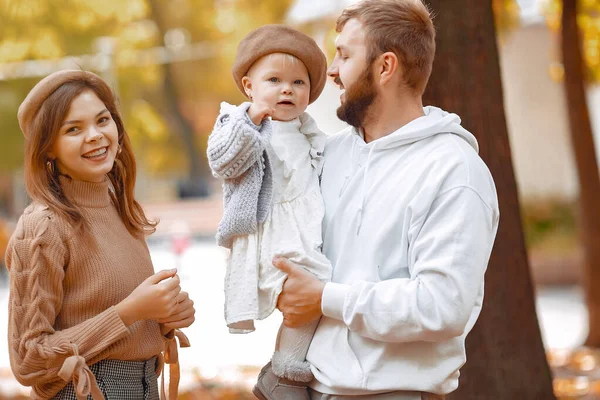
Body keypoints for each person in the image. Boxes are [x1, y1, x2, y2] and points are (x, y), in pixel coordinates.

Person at [273, 1, 501, 399]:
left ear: (385, 67)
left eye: (344, 55)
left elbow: (441, 306)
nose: (331, 70)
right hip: (314, 388)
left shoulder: (453, 171)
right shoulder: (331, 154)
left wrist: (325, 298)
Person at [6, 70, 195, 399]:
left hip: (145, 386)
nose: (94, 135)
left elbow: (112, 314)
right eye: (73, 129)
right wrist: (131, 311)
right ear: (48, 148)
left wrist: (165, 316)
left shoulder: (117, 204)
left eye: (102, 120)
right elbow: (28, 359)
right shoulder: (42, 226)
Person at [207, 25, 332, 400]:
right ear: (249, 86)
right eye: (274, 80)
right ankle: (285, 375)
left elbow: (326, 161)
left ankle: (283, 374)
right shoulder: (237, 122)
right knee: (304, 294)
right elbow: (222, 161)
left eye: (298, 83)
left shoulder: (308, 129)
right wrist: (250, 121)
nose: (287, 90)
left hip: (306, 227)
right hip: (270, 229)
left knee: (312, 300)